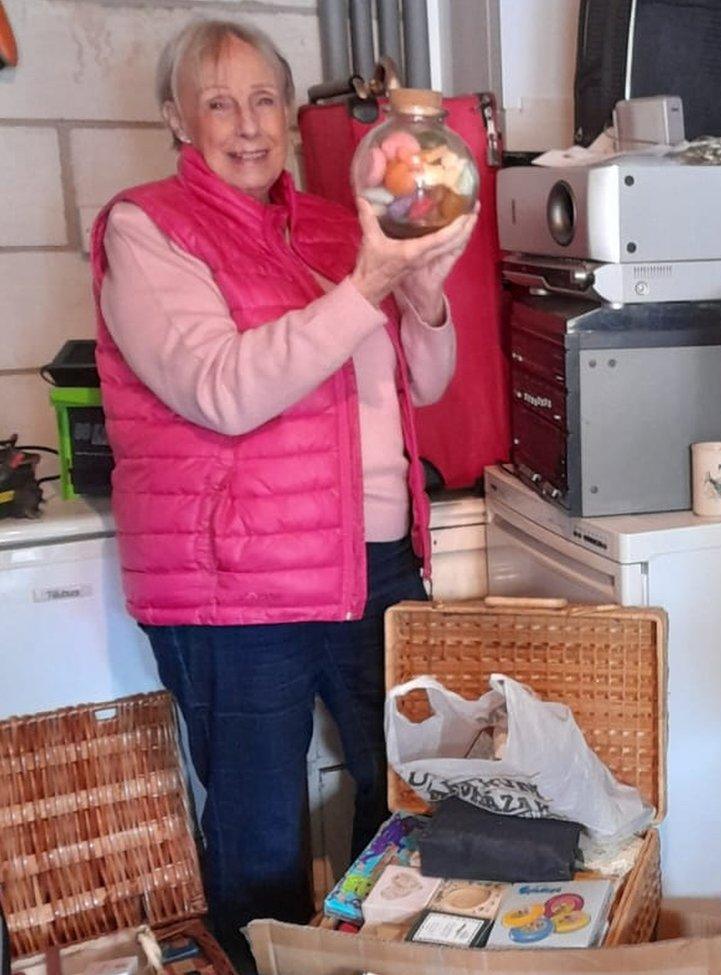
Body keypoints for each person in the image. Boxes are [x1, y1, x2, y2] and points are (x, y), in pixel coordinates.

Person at [90, 17, 477, 943]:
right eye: (219, 102)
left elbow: (421, 381)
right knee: (261, 833)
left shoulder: (338, 225)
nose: (249, 123)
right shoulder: (147, 227)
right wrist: (368, 285)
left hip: (376, 561)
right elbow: (222, 389)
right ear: (178, 120)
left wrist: (421, 300)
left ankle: (363, 962)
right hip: (240, 585)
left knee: (405, 801)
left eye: (265, 98)